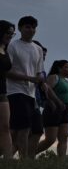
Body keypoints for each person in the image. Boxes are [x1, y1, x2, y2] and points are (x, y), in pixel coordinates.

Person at [5, 16, 46, 159]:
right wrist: (30, 78)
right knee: (22, 129)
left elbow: (39, 71)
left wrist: (40, 79)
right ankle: (23, 161)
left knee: (32, 129)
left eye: (33, 27)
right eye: (28, 27)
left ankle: (19, 158)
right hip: (15, 91)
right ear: (20, 28)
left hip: (31, 94)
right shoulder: (12, 46)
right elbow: (7, 71)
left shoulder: (38, 49)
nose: (31, 30)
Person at [36, 60, 68, 157]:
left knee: (64, 137)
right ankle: (30, 154)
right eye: (66, 67)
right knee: (50, 139)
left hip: (66, 109)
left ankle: (61, 161)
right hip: (53, 109)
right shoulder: (54, 77)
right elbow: (46, 90)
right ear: (59, 68)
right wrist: (52, 102)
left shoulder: (66, 82)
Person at [0, 20, 15, 158]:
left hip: (2, 91)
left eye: (12, 33)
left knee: (5, 126)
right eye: (8, 32)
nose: (10, 36)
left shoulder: (5, 49)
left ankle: (8, 161)